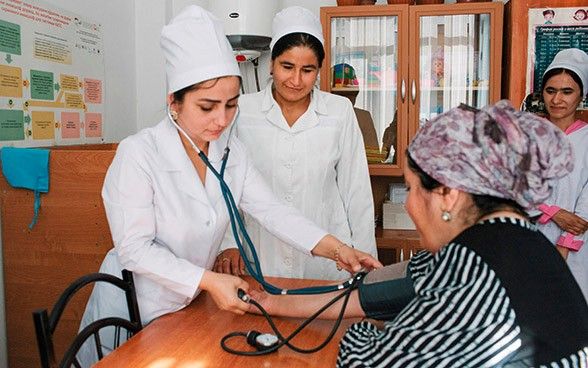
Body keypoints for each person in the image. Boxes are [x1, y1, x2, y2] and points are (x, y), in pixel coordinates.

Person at [77, 6, 381, 366]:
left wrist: (336, 249)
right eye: (207, 107)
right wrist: (208, 280)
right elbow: (134, 250)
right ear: (173, 102)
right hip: (135, 311)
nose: (221, 120)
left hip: (190, 309)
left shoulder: (228, 152)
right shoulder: (139, 154)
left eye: (232, 105)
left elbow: (273, 212)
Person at [246, 101, 588, 366]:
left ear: (448, 193)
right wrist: (273, 303)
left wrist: (371, 327)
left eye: (410, 189)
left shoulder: (472, 265)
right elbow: (374, 290)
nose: (408, 206)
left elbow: (368, 360)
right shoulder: (515, 240)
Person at [215, 6, 377, 280]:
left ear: (318, 71)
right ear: (271, 63)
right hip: (260, 255)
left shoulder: (339, 112)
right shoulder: (242, 110)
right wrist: (228, 243)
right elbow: (224, 184)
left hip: (329, 261)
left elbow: (356, 191)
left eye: (307, 70)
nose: (296, 80)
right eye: (287, 67)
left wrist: (362, 259)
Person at [535, 48, 588, 301]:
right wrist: (554, 212)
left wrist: (565, 244)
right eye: (551, 90)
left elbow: (586, 204)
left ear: (582, 96)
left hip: (579, 247)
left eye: (567, 92)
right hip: (531, 239)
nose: (557, 99)